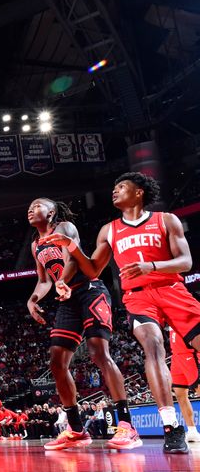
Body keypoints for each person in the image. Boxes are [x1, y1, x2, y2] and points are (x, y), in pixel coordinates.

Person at [43, 172, 198, 453]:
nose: (114, 191)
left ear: (139, 192)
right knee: (153, 347)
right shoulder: (109, 230)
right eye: (114, 188)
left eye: (122, 187)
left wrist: (151, 267)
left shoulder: (166, 220)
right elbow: (92, 270)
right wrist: (72, 248)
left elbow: (186, 261)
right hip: (138, 298)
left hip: (173, 290)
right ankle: (171, 426)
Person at [25, 198, 139, 451]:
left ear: (51, 212)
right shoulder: (35, 245)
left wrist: (62, 282)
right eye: (29, 207)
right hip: (68, 299)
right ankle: (76, 429)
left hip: (89, 289)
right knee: (56, 362)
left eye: (37, 205)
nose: (31, 209)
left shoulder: (64, 228)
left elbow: (74, 260)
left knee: (99, 353)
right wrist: (32, 300)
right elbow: (44, 280)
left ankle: (128, 425)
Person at [169, 327, 200, 442]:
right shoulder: (170, 312)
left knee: (199, 389)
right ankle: (192, 431)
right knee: (180, 395)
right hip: (176, 356)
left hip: (190, 354)